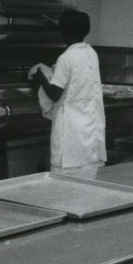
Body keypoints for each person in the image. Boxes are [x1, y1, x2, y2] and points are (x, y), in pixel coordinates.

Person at [29, 9, 106, 176]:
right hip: (89, 130)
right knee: (88, 185)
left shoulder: (66, 58)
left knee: (65, 188)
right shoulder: (91, 53)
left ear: (62, 31)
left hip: (70, 134)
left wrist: (40, 75)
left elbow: (55, 94)